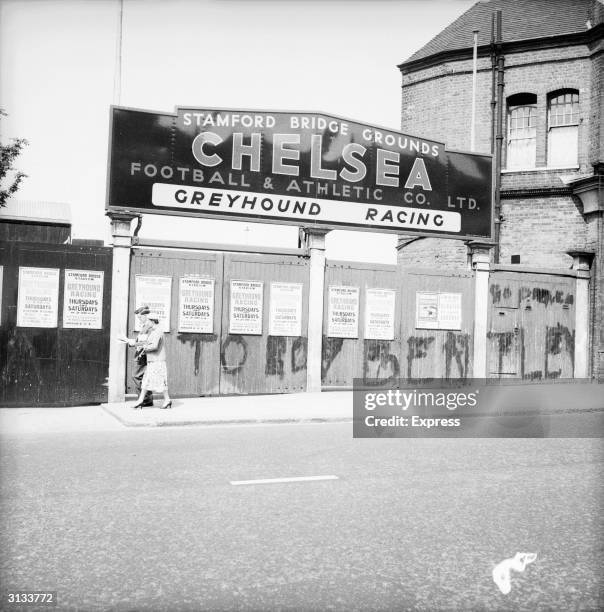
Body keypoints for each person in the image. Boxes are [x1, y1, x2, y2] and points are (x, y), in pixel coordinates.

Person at [132, 312, 172, 410]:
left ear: (152, 321)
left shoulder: (158, 330)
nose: (147, 323)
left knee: (160, 381)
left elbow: (154, 346)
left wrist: (144, 348)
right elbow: (149, 343)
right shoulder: (154, 330)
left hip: (157, 360)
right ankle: (141, 400)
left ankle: (167, 399)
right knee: (147, 380)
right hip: (153, 360)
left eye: (148, 321)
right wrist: (140, 345)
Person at [129, 305, 154, 407]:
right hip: (140, 354)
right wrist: (133, 342)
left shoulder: (149, 327)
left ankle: (146, 399)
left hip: (143, 355)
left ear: (146, 316)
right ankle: (146, 399)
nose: (139, 319)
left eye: (140, 317)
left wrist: (134, 343)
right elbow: (141, 340)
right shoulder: (145, 326)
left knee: (136, 375)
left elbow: (147, 342)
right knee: (141, 376)